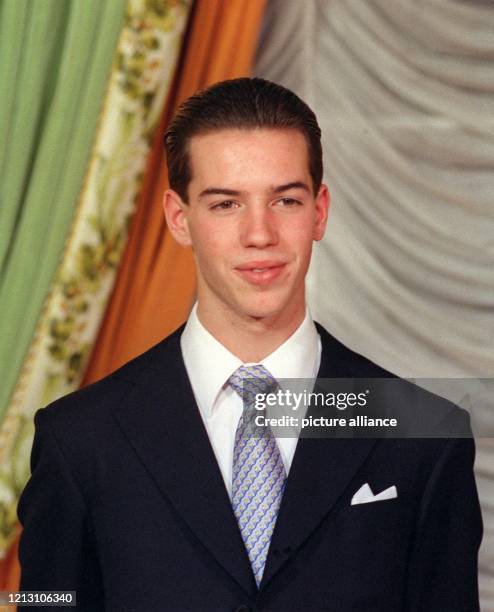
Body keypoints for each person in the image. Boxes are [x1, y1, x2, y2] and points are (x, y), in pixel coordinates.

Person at [18, 78, 482, 611]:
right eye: (226, 204)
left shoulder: (422, 433)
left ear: (319, 211)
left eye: (285, 199)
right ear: (179, 218)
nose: (259, 234)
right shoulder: (79, 440)